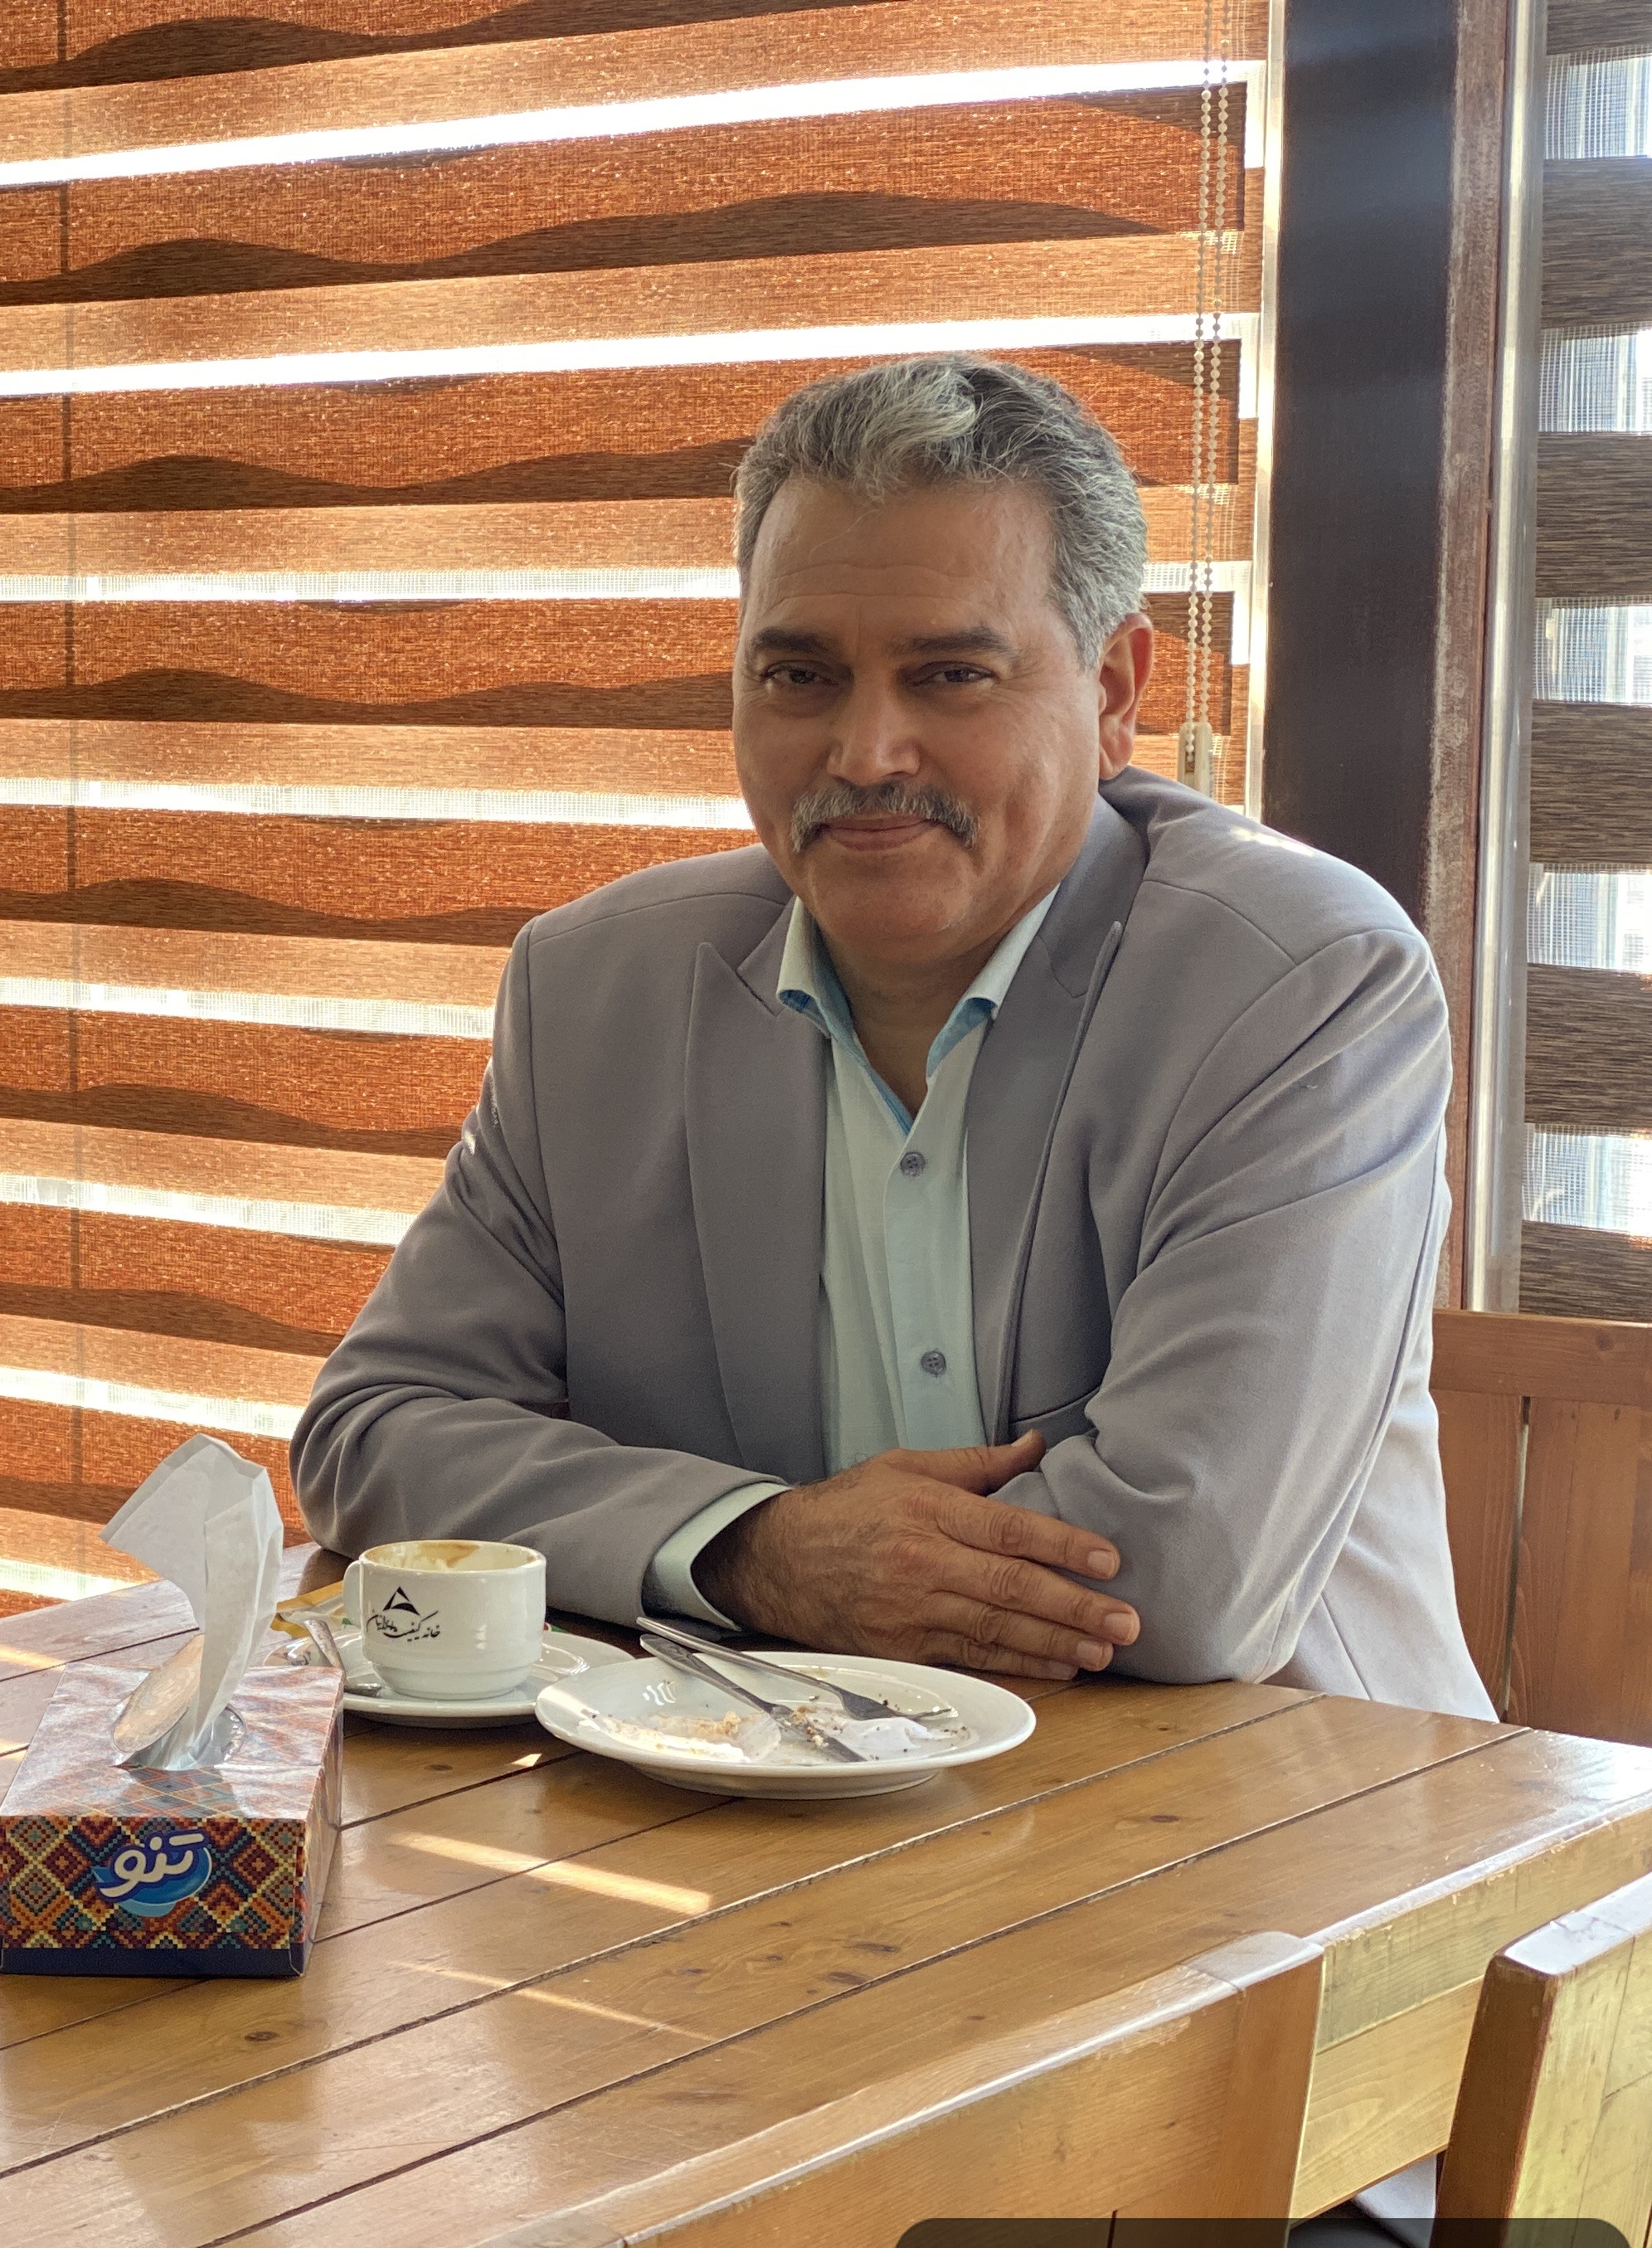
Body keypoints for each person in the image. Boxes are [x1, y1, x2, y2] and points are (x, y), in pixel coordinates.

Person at [294, 356, 1485, 1714]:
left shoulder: (1299, 984)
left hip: (1280, 1790)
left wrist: (787, 1566)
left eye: (951, 675)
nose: (866, 752)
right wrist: (753, 1549)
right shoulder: (594, 987)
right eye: (800, 673)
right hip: (761, 1777)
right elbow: (376, 1435)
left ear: (1113, 691)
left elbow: (1185, 1577)